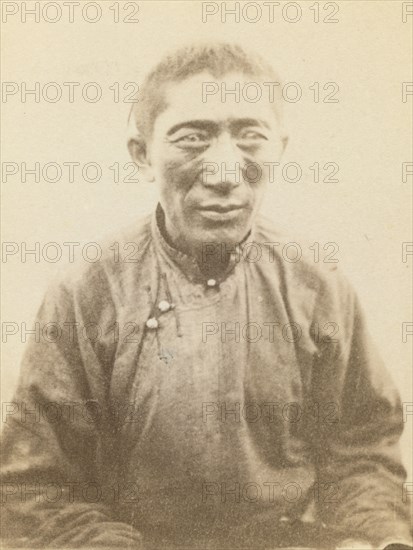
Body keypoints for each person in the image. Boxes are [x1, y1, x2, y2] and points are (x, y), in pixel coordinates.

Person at [1, 43, 412, 549]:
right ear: (141, 152)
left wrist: (374, 536)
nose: (223, 171)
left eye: (250, 137)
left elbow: (363, 453)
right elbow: (34, 486)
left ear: (279, 147)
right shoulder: (89, 291)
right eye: (192, 139)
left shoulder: (317, 286)